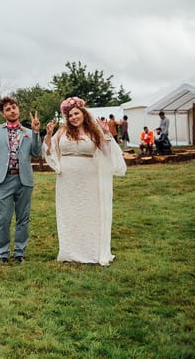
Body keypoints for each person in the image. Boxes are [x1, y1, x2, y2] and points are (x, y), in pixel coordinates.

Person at [43, 97, 126, 266]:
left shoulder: (93, 132)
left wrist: (107, 133)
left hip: (89, 178)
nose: (73, 117)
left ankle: (90, 251)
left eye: (76, 113)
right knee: (69, 212)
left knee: (89, 212)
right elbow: (49, 150)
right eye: (70, 115)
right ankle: (69, 251)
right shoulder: (62, 132)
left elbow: (107, 152)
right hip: (67, 180)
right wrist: (49, 135)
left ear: (83, 113)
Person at [0, 96, 41, 264]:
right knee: (3, 218)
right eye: (8, 109)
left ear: (18, 109)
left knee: (23, 218)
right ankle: (3, 253)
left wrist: (36, 132)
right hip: (3, 180)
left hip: (24, 180)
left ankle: (20, 251)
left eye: (14, 107)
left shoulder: (28, 132)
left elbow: (37, 153)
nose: (12, 110)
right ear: (3, 113)